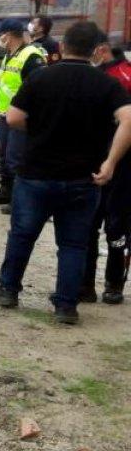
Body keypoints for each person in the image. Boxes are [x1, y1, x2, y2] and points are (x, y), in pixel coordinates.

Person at [0, 22, 131, 324]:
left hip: (36, 174)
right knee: (73, 244)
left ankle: (8, 290)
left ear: (63, 46)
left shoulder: (42, 78)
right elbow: (129, 120)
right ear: (96, 51)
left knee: (23, 235)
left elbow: (13, 118)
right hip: (83, 179)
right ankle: (66, 306)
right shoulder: (106, 84)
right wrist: (110, 162)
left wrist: (40, 129)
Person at [83, 43, 131, 304]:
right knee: (88, 223)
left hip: (122, 164)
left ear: (101, 49)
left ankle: (114, 282)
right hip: (94, 159)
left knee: (116, 225)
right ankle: (85, 284)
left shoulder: (125, 74)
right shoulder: (93, 76)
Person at [0, 19, 46, 206]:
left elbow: (38, 88)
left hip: (21, 117)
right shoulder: (10, 54)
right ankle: (5, 191)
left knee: (16, 159)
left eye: (1, 35)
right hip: (6, 114)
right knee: (4, 156)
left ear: (9, 35)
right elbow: (12, 81)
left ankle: (19, 201)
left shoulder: (32, 56)